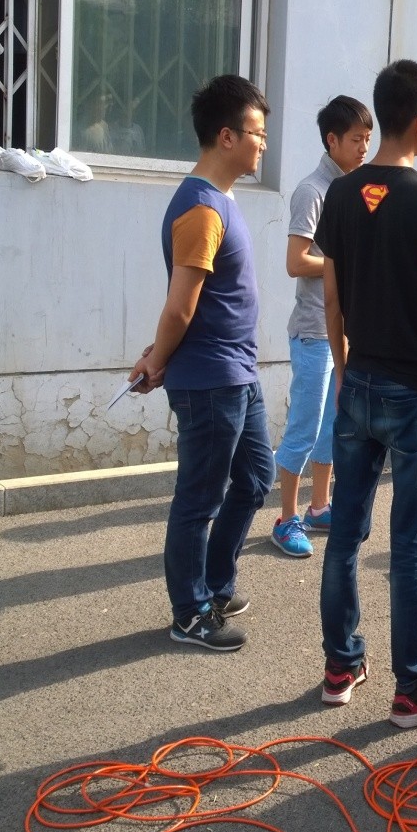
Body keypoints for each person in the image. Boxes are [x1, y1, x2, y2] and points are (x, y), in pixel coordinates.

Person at [314, 60, 417, 729]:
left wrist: (342, 366)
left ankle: (340, 665)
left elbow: (331, 297)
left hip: (358, 382)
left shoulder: (342, 193)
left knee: (345, 535)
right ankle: (414, 686)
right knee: (409, 546)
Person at [128, 75, 274, 652]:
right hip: (212, 380)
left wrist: (158, 354)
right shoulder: (201, 210)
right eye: (256, 134)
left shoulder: (220, 200)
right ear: (226, 136)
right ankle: (189, 613)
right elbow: (180, 306)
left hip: (237, 373)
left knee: (256, 478)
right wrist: (158, 359)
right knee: (198, 501)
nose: (263, 144)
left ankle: (214, 585)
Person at [270, 96, 372, 558]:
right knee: (305, 427)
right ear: (332, 140)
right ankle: (285, 518)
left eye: (368, 138)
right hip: (313, 331)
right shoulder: (312, 191)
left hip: (343, 330)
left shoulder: (354, 189)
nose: (364, 148)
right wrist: (343, 262)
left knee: (333, 424)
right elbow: (296, 262)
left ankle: (319, 506)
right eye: (356, 139)